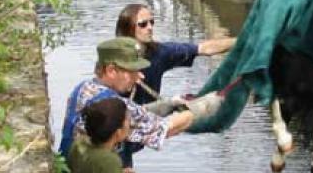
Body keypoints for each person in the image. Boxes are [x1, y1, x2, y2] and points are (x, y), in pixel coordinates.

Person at [114, 3, 236, 173]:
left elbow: (204, 48)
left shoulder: (160, 53)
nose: (150, 27)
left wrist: (245, 41)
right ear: (127, 29)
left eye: (152, 22)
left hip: (137, 128)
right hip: (113, 132)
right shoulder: (113, 60)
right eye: (143, 24)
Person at [57, 37, 223, 162]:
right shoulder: (117, 106)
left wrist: (168, 105)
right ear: (111, 70)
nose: (139, 76)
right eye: (132, 71)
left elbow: (136, 116)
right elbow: (166, 129)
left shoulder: (82, 89)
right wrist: (198, 109)